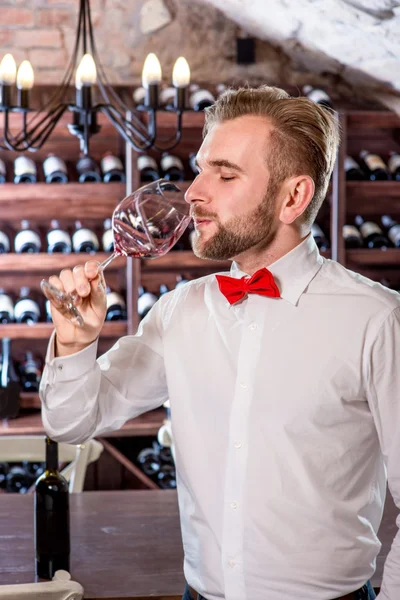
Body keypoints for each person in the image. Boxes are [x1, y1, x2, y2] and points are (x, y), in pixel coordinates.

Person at [39, 85, 399, 600]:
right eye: (202, 169)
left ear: (292, 197)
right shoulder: (179, 311)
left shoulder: (378, 320)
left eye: (225, 175)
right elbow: (70, 423)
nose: (192, 193)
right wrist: (76, 343)